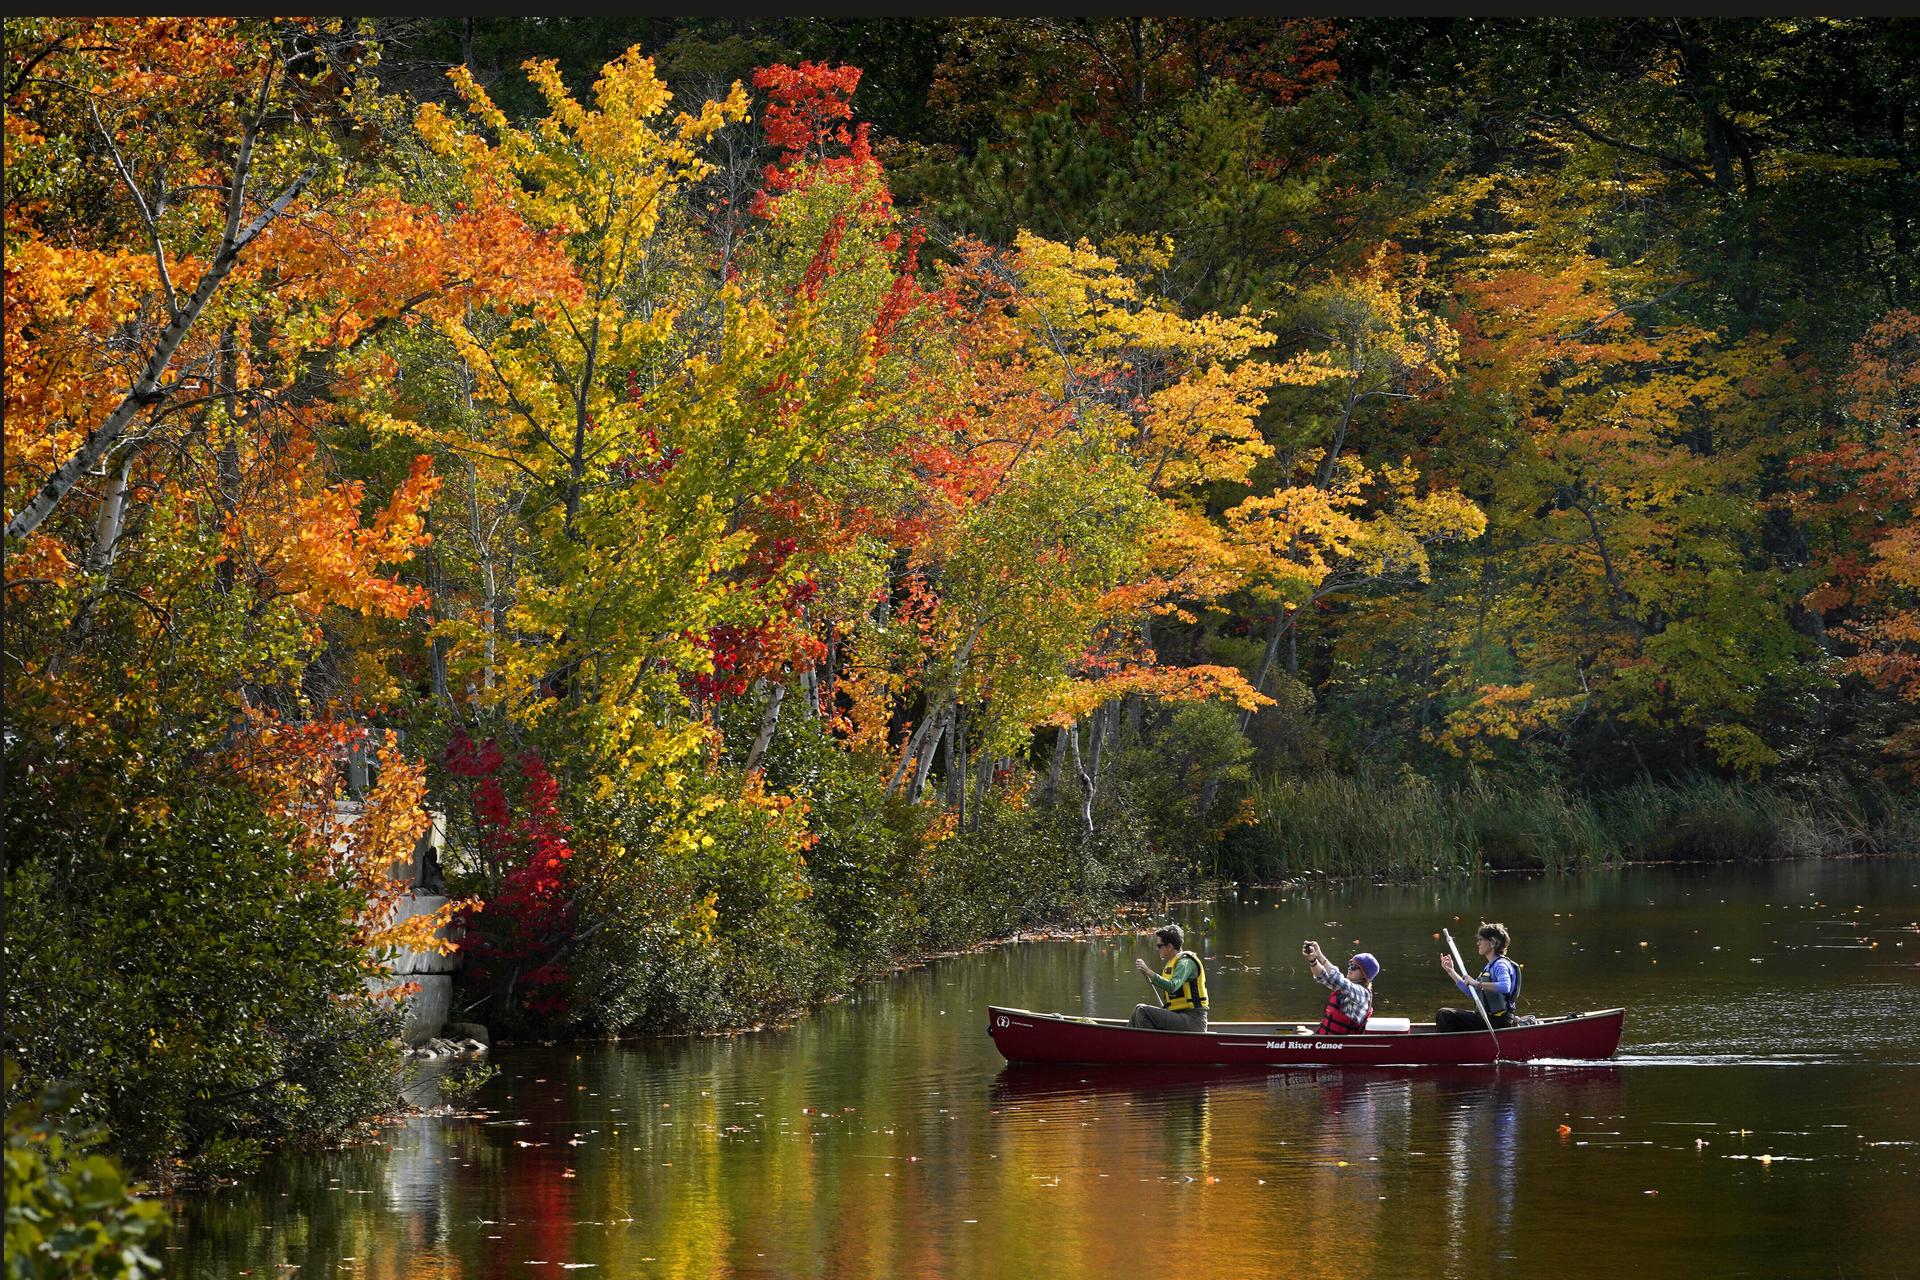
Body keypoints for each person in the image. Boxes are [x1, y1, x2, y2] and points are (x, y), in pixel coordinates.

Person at [1437, 922, 1521, 1032]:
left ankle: (1446, 1046)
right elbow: (1471, 992)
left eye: (1481, 939)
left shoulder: (1500, 964)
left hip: (1498, 1021)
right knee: (1447, 1015)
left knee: (1445, 1014)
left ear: (1492, 943)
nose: (1478, 943)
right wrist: (1451, 971)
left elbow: (1505, 987)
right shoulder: (1489, 966)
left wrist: (1477, 983)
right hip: (1486, 1018)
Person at [1129, 924, 1209, 1031]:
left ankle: (1149, 1045)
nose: (1157, 949)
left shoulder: (1186, 963)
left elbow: (1172, 986)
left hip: (1193, 1020)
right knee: (1138, 1010)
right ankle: (1129, 1040)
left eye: (1159, 946)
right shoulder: (1172, 963)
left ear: (1170, 946)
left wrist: (1148, 971)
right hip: (1179, 1016)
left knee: (1142, 1011)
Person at [1303, 940, 1377, 1034]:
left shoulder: (1363, 993)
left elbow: (1339, 980)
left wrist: (1321, 956)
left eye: (1354, 967)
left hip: (1338, 1044)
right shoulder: (1345, 988)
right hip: (1326, 1042)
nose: (1350, 968)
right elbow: (1322, 976)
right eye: (1350, 964)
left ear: (1364, 975)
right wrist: (1312, 960)